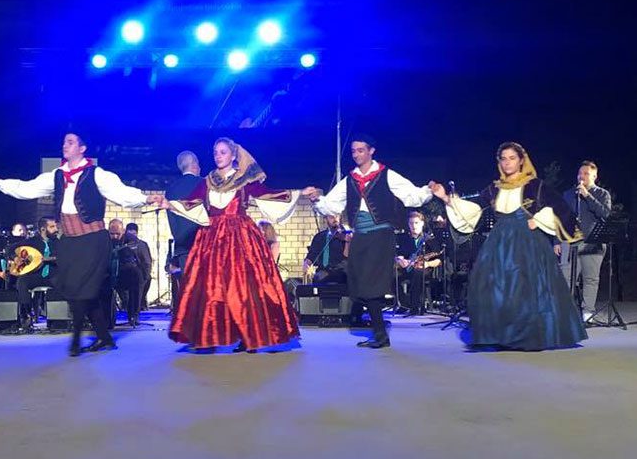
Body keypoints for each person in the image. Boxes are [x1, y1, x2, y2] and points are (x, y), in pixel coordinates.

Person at [0, 132, 157, 356]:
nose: (65, 145)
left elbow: (121, 193)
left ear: (82, 148)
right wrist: (0, 184)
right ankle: (104, 337)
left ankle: (75, 340)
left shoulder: (97, 174)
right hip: (69, 242)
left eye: (71, 142)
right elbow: (29, 188)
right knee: (74, 289)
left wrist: (144, 198)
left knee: (83, 289)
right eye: (64, 142)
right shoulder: (57, 175)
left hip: (93, 240)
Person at [435, 141, 586, 351]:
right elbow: (474, 208)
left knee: (524, 286)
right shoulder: (495, 188)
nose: (507, 163)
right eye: (503, 159)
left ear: (521, 160)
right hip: (500, 241)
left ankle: (527, 336)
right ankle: (501, 334)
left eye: (512, 158)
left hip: (527, 240)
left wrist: (539, 219)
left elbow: (561, 207)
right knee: (489, 282)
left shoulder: (535, 185)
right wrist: (446, 198)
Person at [161, 137, 302, 352]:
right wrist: (169, 204)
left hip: (240, 238)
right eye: (215, 152)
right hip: (212, 239)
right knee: (213, 288)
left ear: (233, 155)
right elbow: (192, 203)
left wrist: (300, 193)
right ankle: (210, 332)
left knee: (245, 287)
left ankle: (249, 335)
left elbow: (267, 195)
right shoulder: (207, 181)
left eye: (223, 152)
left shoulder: (244, 180)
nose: (218, 156)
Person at [304, 134, 436, 349]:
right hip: (360, 236)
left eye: (360, 150)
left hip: (381, 234)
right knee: (357, 282)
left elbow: (411, 195)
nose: (356, 154)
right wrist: (316, 198)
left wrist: (429, 191)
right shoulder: (350, 179)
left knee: (371, 283)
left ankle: (380, 335)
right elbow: (332, 205)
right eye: (353, 151)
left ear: (371, 151)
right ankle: (379, 331)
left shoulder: (386, 174)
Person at [559, 161, 613, 321]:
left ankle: (587, 312)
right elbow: (560, 218)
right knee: (566, 277)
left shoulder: (602, 194)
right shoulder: (569, 194)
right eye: (580, 173)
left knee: (590, 279)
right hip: (570, 242)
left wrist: (587, 196)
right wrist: (557, 241)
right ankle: (565, 313)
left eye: (586, 174)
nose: (581, 176)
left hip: (593, 243)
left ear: (594, 176)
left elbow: (605, 214)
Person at [164, 150, 203, 311]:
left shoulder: (170, 189)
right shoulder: (203, 184)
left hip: (182, 246)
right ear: (194, 164)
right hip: (203, 244)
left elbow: (171, 219)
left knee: (190, 289)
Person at [395, 211, 443, 315]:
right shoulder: (404, 239)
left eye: (416, 223)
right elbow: (398, 254)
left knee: (417, 273)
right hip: (407, 267)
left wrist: (428, 264)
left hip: (424, 269)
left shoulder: (430, 239)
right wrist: (400, 260)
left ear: (422, 223)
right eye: (411, 223)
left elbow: (439, 260)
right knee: (390, 276)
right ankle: (405, 303)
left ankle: (415, 307)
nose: (413, 226)